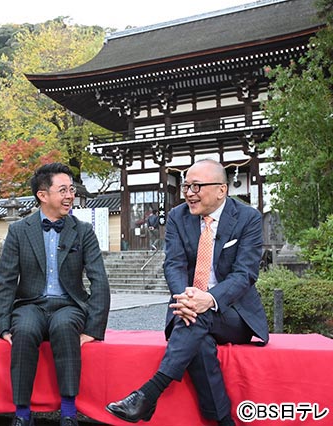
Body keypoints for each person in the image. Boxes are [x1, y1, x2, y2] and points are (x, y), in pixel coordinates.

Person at [105, 159, 269, 426]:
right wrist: (187, 298)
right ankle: (223, 421)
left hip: (233, 313)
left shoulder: (247, 218)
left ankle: (149, 393)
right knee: (200, 341)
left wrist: (210, 299)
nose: (189, 193)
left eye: (197, 186)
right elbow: (174, 264)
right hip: (188, 309)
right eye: (186, 186)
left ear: (221, 190)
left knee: (198, 315)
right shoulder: (178, 217)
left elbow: (245, 274)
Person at [0, 162, 111, 426]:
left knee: (64, 326)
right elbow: (6, 279)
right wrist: (3, 325)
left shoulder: (83, 230)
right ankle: (22, 414)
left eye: (71, 189)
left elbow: (98, 279)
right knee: (22, 329)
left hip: (69, 304)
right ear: (43, 195)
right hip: (30, 303)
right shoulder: (19, 230)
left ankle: (69, 413)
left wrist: (94, 327)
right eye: (63, 190)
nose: (70, 195)